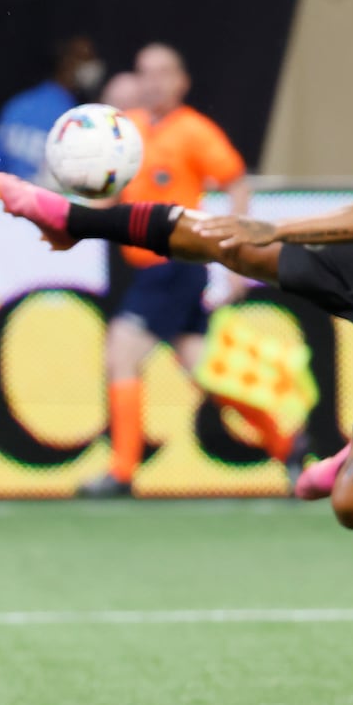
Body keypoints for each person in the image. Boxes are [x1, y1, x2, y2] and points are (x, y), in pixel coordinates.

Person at [0, 25, 353, 529]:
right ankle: (71, 218)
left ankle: (342, 457)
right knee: (231, 243)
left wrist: (280, 230)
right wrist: (262, 233)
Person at [76, 43, 270, 497]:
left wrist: (237, 252)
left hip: (176, 262)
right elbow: (105, 198)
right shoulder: (129, 130)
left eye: (163, 72)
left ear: (182, 81)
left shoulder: (195, 132)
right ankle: (288, 443)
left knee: (121, 355)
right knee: (201, 367)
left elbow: (237, 183)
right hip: (149, 269)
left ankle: (122, 472)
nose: (154, 81)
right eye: (145, 73)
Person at [0, 34, 104, 181]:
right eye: (85, 58)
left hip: (11, 198)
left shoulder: (19, 103)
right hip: (47, 201)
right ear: (67, 61)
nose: (92, 65)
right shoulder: (73, 118)